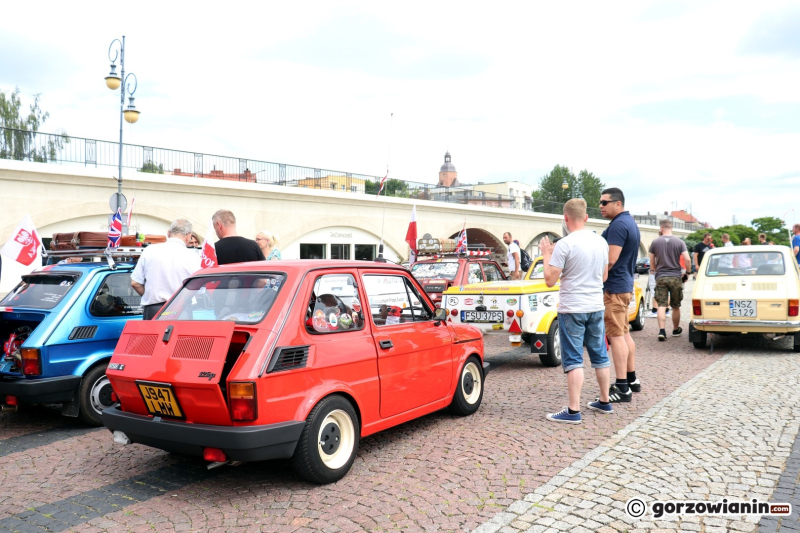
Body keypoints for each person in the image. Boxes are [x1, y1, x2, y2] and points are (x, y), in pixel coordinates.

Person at [540, 199, 611, 424]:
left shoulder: (565, 244)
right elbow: (604, 277)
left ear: (566, 218)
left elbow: (550, 280)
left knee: (573, 359)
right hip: (596, 305)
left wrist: (545, 254)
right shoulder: (601, 242)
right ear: (586, 217)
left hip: (572, 308)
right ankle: (604, 400)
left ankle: (573, 410)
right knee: (599, 354)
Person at [599, 187, 640, 402]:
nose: (601, 206)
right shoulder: (629, 222)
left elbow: (611, 259)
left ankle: (622, 387)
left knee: (616, 337)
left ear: (618, 203)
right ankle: (632, 379)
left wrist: (596, 277)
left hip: (614, 287)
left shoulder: (618, 226)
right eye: (600, 202)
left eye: (605, 202)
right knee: (624, 334)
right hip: (625, 285)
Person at [131, 219, 201, 320]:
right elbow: (200, 290)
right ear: (188, 236)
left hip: (154, 310)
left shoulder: (149, 251)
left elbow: (135, 283)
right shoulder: (194, 257)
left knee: (153, 336)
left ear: (168, 233)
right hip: (182, 311)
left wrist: (152, 296)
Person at [649, 220, 693, 341]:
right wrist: (688, 273)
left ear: (661, 228)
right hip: (675, 277)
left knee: (661, 304)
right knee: (675, 305)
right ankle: (675, 329)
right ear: (671, 228)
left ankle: (662, 331)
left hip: (661, 276)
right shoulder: (679, 242)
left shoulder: (655, 242)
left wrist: (654, 271)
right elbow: (687, 260)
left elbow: (652, 261)